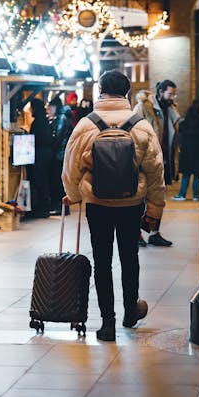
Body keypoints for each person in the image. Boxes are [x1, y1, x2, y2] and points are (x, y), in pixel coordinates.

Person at [62, 70, 166, 342]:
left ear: (100, 90)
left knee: (102, 261)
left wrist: (74, 195)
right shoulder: (140, 124)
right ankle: (130, 311)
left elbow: (70, 167)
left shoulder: (86, 125)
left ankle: (107, 323)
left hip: (97, 203)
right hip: (131, 203)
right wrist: (155, 208)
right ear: (127, 92)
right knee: (129, 258)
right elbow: (156, 170)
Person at [133, 79, 179, 246]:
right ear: (160, 92)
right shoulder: (143, 107)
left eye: (174, 94)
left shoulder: (171, 109)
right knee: (141, 197)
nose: (173, 97)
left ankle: (154, 233)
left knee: (158, 198)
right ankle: (136, 233)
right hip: (146, 160)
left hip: (164, 159)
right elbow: (134, 132)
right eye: (170, 93)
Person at [173, 99, 199, 201]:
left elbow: (180, 137)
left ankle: (182, 194)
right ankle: (196, 195)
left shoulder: (185, 123)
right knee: (197, 175)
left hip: (187, 153)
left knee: (186, 175)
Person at [46, 96, 73, 215]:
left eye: (49, 108)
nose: (48, 110)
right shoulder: (63, 117)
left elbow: (59, 137)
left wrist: (52, 147)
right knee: (60, 181)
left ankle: (60, 207)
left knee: (58, 181)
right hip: (62, 154)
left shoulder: (62, 118)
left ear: (54, 107)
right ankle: (61, 207)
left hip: (60, 155)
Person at [27, 98, 53, 218]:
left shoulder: (37, 122)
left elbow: (35, 139)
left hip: (40, 154)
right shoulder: (45, 120)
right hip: (47, 154)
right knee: (45, 180)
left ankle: (41, 208)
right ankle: (45, 207)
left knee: (39, 181)